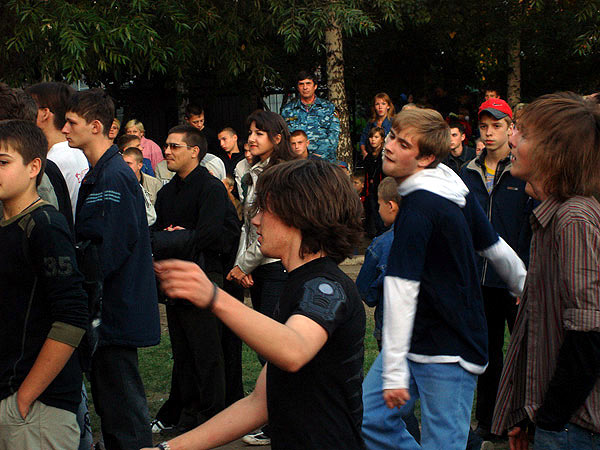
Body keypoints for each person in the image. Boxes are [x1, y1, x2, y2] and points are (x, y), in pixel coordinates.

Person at [149, 158, 366, 450]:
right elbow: (259, 403)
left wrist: (213, 297)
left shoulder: (326, 286)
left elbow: (294, 349)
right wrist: (167, 448)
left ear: (299, 215)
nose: (255, 220)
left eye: (265, 210)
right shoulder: (298, 284)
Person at [361, 108, 527, 450]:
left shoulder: (423, 206)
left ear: (425, 158)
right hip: (413, 338)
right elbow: (494, 246)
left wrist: (525, 288)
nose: (389, 146)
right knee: (368, 417)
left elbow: (401, 290)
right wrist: (524, 283)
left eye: (403, 144)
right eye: (391, 136)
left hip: (450, 347)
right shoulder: (446, 183)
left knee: (444, 443)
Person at [491, 92, 600, 449]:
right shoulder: (553, 217)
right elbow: (544, 335)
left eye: (523, 133)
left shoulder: (573, 219)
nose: (511, 139)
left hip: (574, 429)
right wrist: (528, 417)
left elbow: (588, 335)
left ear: (552, 153)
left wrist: (550, 420)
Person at [63, 89, 160, 450]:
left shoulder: (113, 176)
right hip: (108, 311)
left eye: (71, 122)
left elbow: (110, 248)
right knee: (112, 404)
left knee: (123, 410)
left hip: (114, 311)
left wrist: (80, 282)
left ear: (96, 126)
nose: (65, 129)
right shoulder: (102, 172)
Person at [0, 120, 88, 450]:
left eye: (3, 162)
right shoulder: (8, 224)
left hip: (37, 409)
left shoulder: (45, 225)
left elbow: (72, 318)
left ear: (34, 167)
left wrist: (24, 399)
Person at [150, 124, 234, 434]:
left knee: (207, 352)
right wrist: (179, 237)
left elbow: (210, 236)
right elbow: (153, 235)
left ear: (194, 151)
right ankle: (187, 415)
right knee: (183, 352)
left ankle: (212, 419)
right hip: (173, 278)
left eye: (174, 146)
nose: (167, 152)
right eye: (166, 145)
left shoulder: (211, 188)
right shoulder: (167, 192)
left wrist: (174, 238)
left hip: (204, 278)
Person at [460, 98, 533, 443]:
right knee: (486, 353)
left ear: (510, 128)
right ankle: (489, 420)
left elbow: (531, 226)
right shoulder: (467, 171)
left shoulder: (522, 167)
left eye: (497, 126)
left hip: (516, 279)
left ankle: (525, 418)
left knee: (527, 353)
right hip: (479, 278)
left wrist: (526, 274)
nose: (489, 133)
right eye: (484, 126)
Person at [226, 110, 296, 446]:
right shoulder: (252, 170)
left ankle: (282, 422)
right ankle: (280, 419)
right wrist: (245, 264)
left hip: (276, 264)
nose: (251, 138)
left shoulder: (279, 174)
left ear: (277, 138)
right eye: (250, 132)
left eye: (259, 133)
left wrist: (245, 265)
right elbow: (249, 224)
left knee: (273, 347)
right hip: (260, 265)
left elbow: (272, 225)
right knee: (266, 347)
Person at [26, 82, 90, 222]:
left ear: (44, 114)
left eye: (30, 106)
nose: (26, 111)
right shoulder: (76, 152)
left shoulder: (53, 161)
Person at [280, 71, 340, 162]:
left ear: (315, 86)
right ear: (298, 87)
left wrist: (317, 155)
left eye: (308, 83)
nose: (305, 87)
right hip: (298, 162)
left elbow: (334, 135)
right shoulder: (288, 110)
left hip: (324, 162)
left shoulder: (328, 108)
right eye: (301, 84)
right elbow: (285, 137)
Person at [363, 127, 386, 237]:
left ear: (382, 139)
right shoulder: (368, 157)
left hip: (382, 188)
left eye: (376, 137)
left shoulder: (384, 156)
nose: (373, 140)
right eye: (371, 137)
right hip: (371, 190)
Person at [359, 93, 395, 158]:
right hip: (372, 157)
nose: (380, 107)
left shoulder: (394, 122)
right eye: (377, 104)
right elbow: (363, 140)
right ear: (374, 107)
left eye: (383, 104)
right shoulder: (371, 123)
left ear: (388, 106)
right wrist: (364, 152)